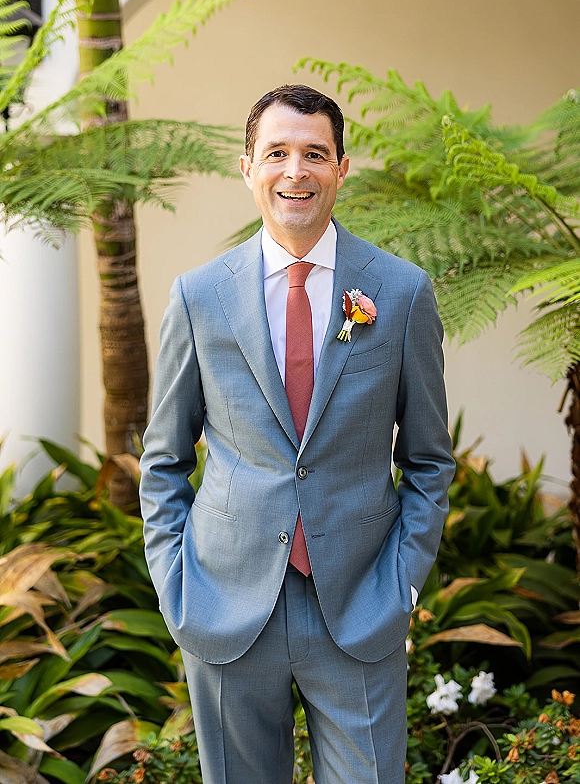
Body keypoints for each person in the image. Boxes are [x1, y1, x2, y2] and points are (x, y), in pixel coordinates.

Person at [139, 84, 455, 784]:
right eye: (277, 152)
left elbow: (430, 458)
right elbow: (162, 458)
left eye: (314, 153)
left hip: (359, 605)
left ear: (342, 168)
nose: (295, 171)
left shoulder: (401, 294)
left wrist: (402, 582)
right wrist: (175, 585)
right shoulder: (198, 296)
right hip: (224, 605)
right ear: (246, 165)